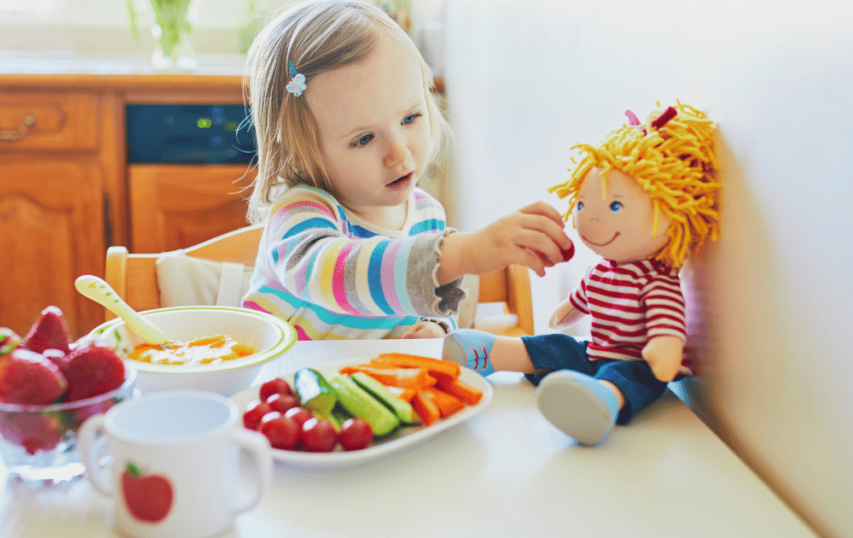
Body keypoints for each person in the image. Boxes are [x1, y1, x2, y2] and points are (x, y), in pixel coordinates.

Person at [241, 0, 572, 340]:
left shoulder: (427, 214)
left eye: (410, 118)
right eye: (364, 138)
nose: (398, 153)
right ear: (301, 150)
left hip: (374, 383)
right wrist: (462, 253)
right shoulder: (299, 214)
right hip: (282, 384)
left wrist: (436, 327)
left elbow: (434, 299)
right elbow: (335, 275)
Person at [443, 103, 721, 446]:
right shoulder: (601, 270)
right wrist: (568, 309)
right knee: (557, 345)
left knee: (625, 376)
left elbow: (666, 326)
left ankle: (600, 402)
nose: (589, 219)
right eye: (582, 205)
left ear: (669, 211)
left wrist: (665, 349)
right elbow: (585, 297)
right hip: (593, 351)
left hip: (636, 362)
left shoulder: (656, 281)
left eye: (615, 206)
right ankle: (490, 353)